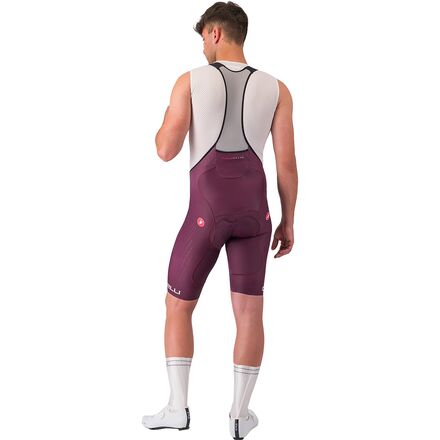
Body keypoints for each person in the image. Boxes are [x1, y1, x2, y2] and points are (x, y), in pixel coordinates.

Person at [142, 2, 298, 438]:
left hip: (206, 214)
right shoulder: (278, 89)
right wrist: (288, 220)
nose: (202, 48)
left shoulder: (190, 80)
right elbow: (286, 164)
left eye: (202, 38)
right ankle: (240, 415)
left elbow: (165, 149)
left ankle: (177, 408)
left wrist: (166, 120)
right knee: (249, 312)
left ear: (214, 33)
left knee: (178, 305)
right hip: (256, 213)